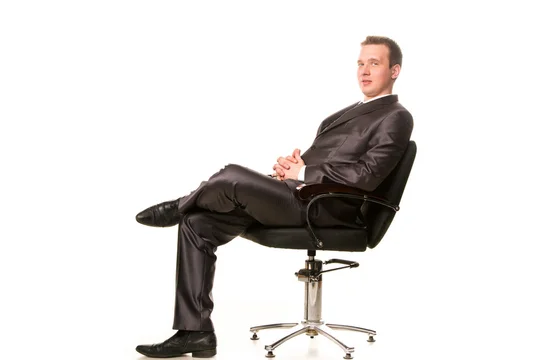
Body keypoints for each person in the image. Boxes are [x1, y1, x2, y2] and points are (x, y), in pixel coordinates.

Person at [134, 35, 414, 358]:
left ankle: (178, 206)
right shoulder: (347, 113)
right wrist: (294, 167)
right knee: (198, 223)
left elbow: (367, 175)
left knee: (231, 176)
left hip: (327, 209)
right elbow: (319, 162)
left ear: (394, 71)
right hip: (302, 194)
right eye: (360, 63)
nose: (364, 71)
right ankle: (194, 332)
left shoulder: (396, 117)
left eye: (374, 63)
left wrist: (305, 175)